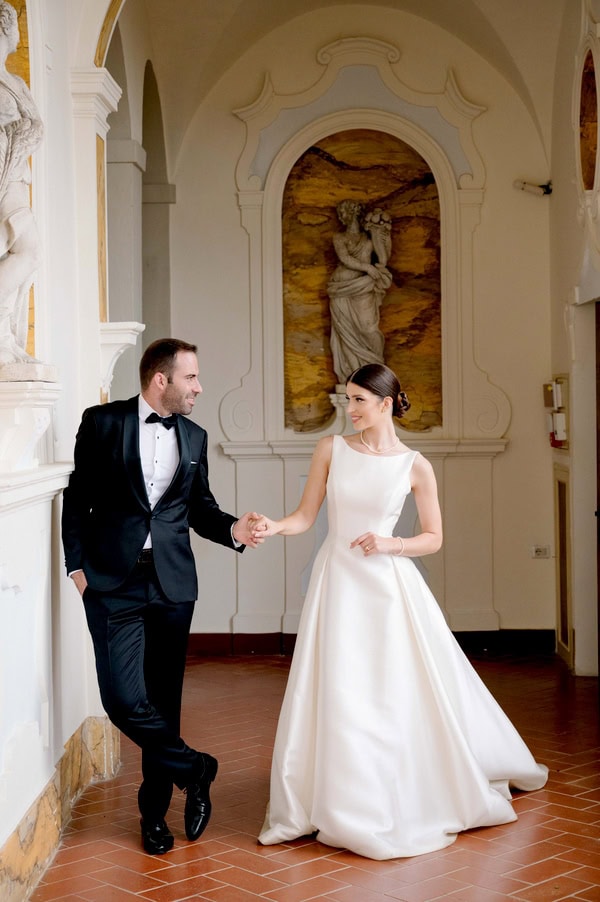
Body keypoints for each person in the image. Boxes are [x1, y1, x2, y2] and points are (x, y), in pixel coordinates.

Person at [256, 363, 548, 860]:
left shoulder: (414, 464)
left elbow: (434, 537)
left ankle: (397, 782)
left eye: (358, 402)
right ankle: (336, 792)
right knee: (340, 684)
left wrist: (392, 542)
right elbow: (306, 517)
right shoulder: (331, 449)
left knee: (393, 687)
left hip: (388, 584)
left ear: (386, 403)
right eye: (347, 400)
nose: (349, 411)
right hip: (338, 581)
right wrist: (272, 526)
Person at [62, 338, 264, 855]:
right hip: (111, 582)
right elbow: (77, 499)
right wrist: (77, 567)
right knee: (123, 700)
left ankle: (154, 817)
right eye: (191, 378)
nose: (198, 387)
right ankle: (197, 769)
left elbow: (200, 511)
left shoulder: (193, 436)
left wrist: (235, 530)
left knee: (162, 703)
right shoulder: (102, 423)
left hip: (172, 585)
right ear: (161, 380)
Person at [0, 1, 43, 366]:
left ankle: (5, 342)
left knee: (27, 253)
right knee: (28, 251)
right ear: (6, 28)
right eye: (14, 25)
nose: (18, 33)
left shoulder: (14, 81)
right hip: (4, 174)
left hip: (17, 175)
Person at [327, 201, 393, 385]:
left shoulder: (368, 238)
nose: (344, 217)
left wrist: (381, 235)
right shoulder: (339, 237)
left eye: (347, 212)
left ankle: (375, 369)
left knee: (368, 328)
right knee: (345, 333)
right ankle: (352, 375)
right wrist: (368, 268)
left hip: (364, 287)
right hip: (341, 288)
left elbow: (383, 259)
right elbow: (345, 258)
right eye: (342, 214)